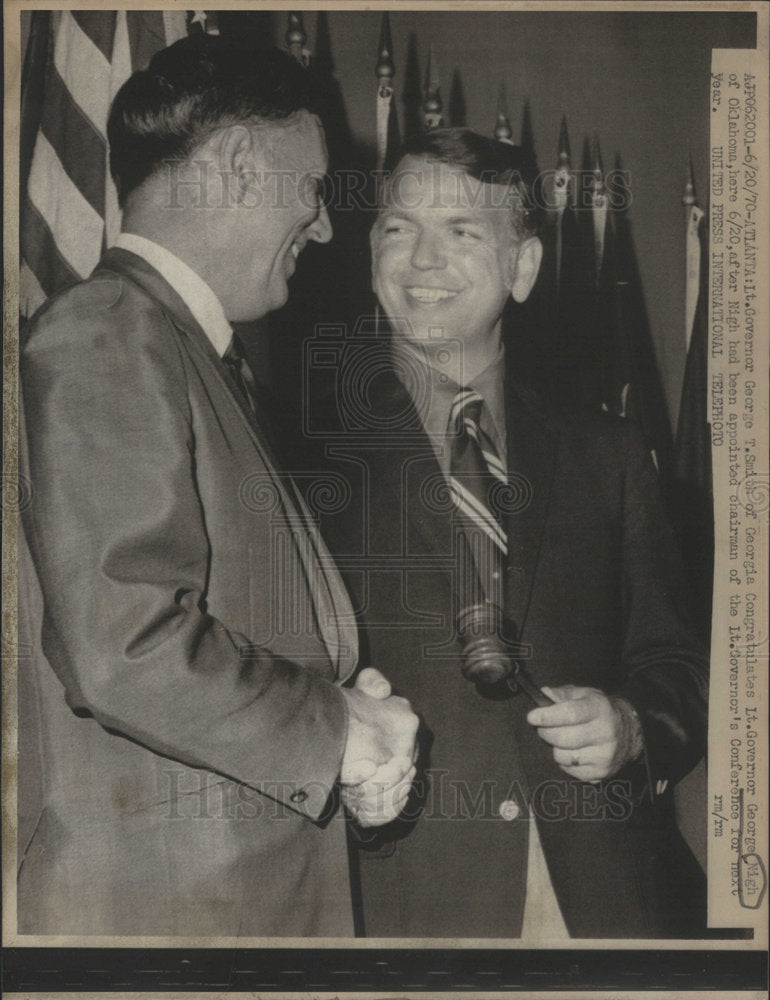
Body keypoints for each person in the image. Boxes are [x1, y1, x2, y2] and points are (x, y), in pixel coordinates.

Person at [17, 35, 418, 938]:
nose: (321, 227)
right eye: (313, 190)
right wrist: (336, 730)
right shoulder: (109, 331)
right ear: (240, 166)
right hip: (172, 923)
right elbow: (128, 644)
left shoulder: (192, 353)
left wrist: (345, 732)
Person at [304, 128, 708, 938]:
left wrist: (632, 726)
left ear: (523, 268)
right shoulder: (297, 455)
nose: (422, 261)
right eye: (398, 229)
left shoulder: (608, 450)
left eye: (461, 233)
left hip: (605, 903)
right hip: (400, 904)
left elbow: (679, 665)